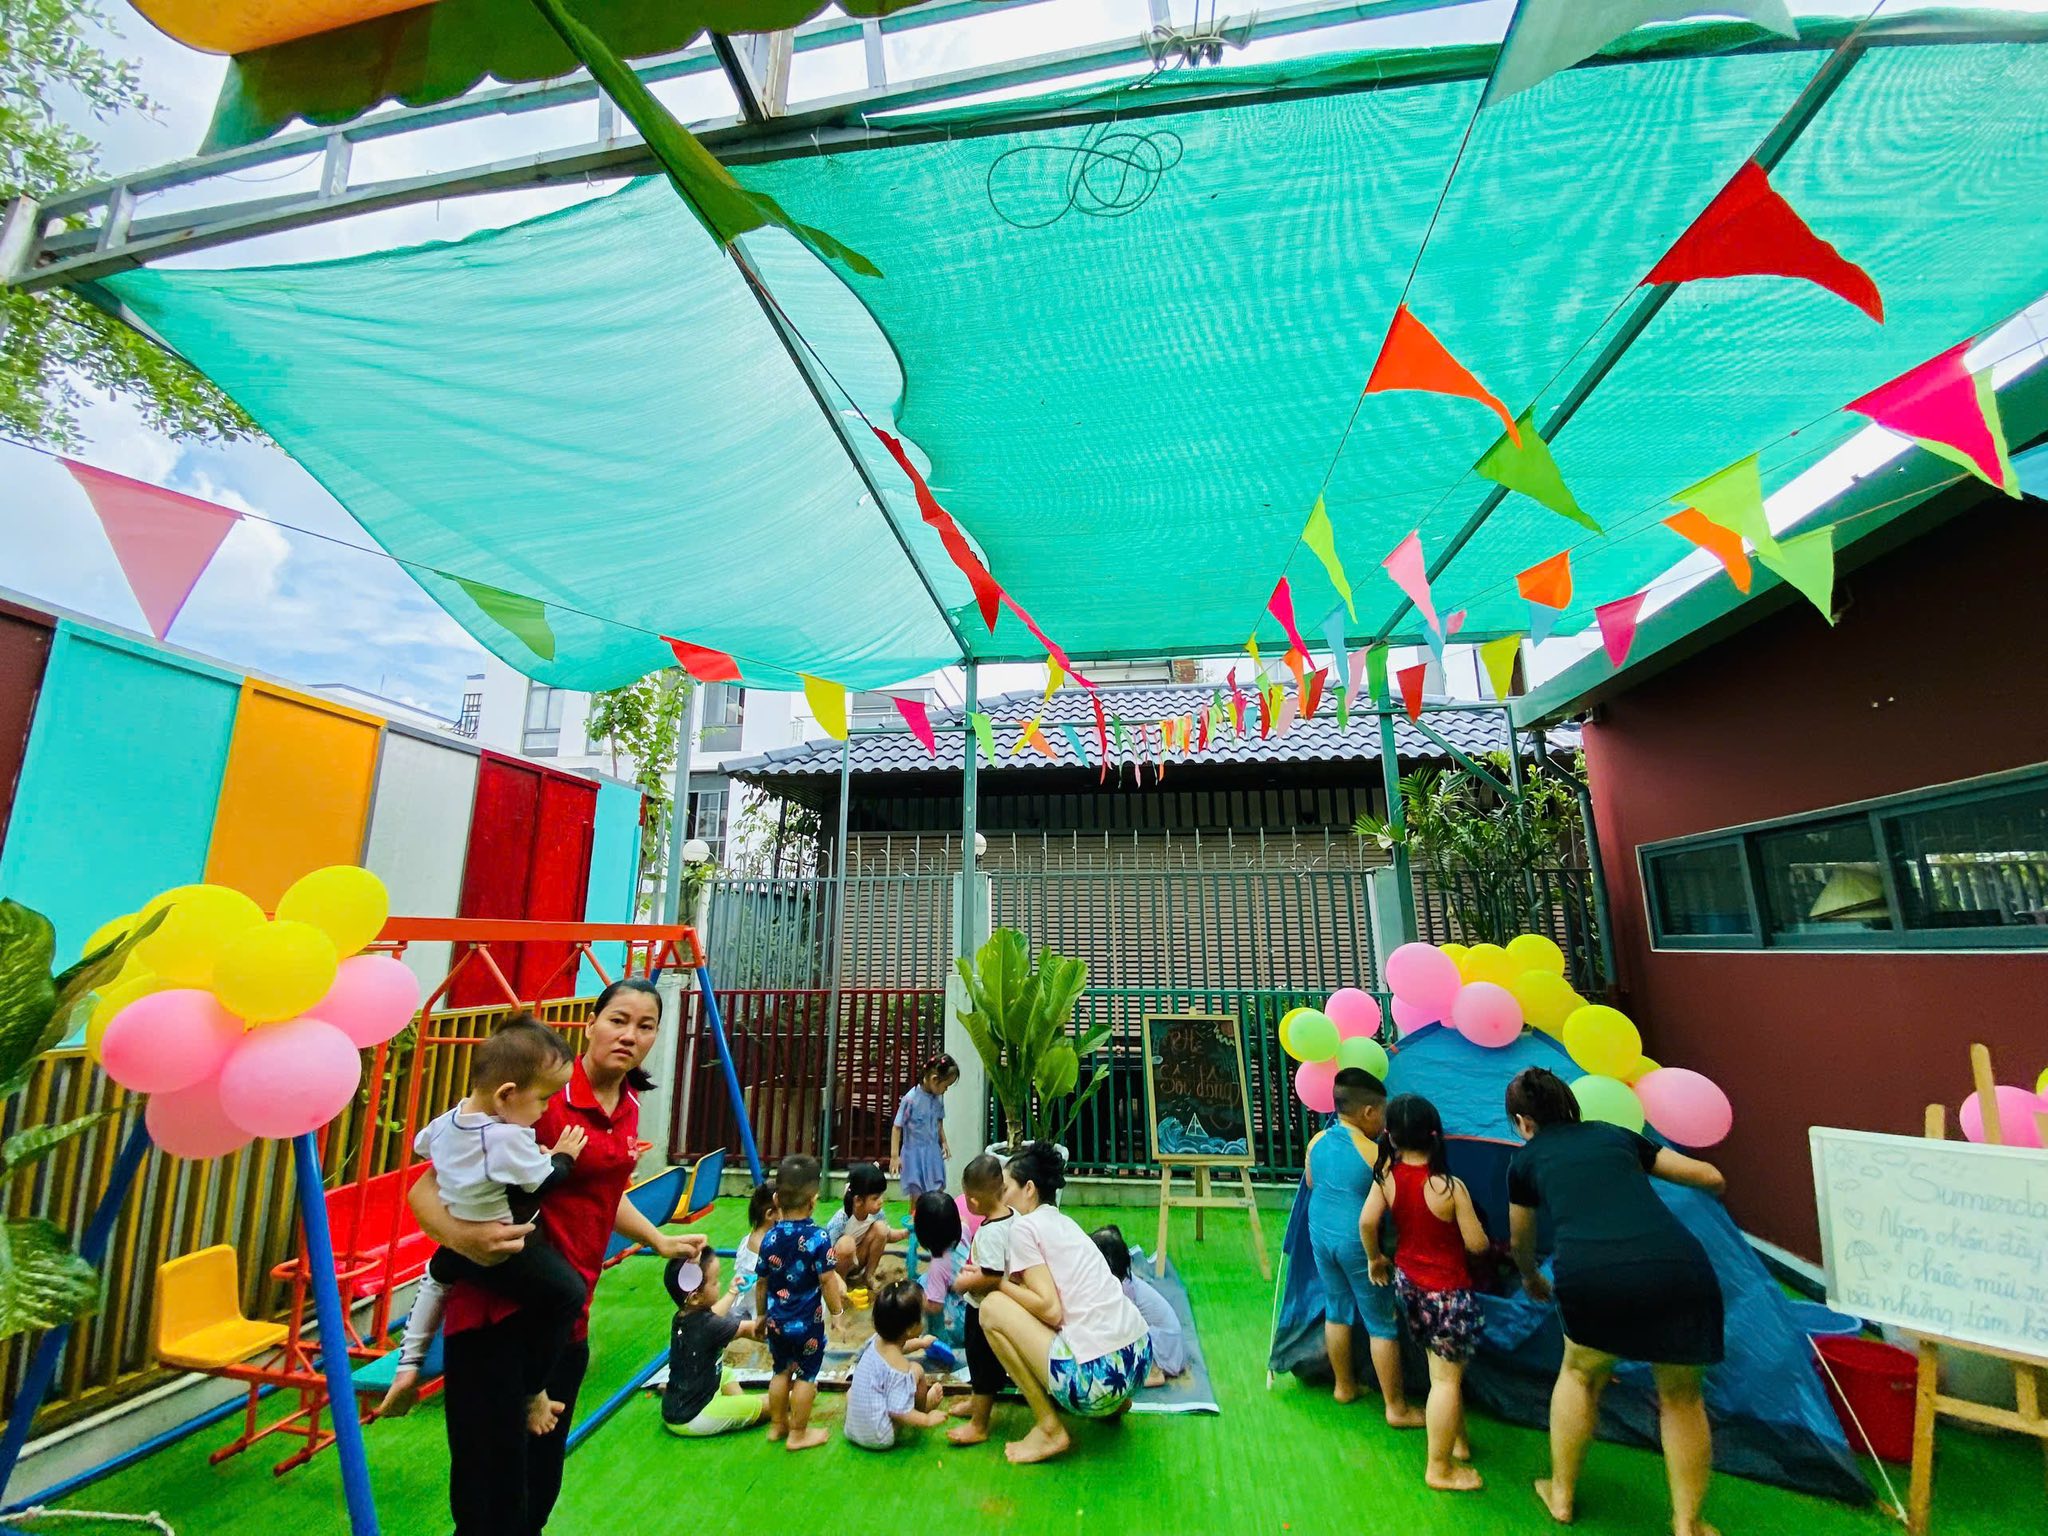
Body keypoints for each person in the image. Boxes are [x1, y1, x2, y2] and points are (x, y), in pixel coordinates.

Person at [409, 978, 705, 1536]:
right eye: (618, 1020)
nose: (630, 1035)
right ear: (590, 1025)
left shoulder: (627, 1105)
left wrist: (657, 1239)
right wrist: (463, 1238)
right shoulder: (540, 1094)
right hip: (498, 1315)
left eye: (645, 1026)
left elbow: (603, 1192)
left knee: (539, 1484)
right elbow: (426, 1187)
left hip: (566, 1319)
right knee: (488, 1496)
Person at [1504, 1067, 1728, 1536]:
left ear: (1524, 1123)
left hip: (1593, 1275)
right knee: (1683, 1399)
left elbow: (1520, 1240)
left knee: (1580, 1375)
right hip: (1677, 1268)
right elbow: (1710, 1176)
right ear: (1571, 1106)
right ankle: (1688, 1523)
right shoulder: (1615, 1134)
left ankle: (1561, 1495)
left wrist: (1529, 1276)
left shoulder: (1525, 1162)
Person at [380, 1018, 590, 1428]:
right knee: (568, 1295)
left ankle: (407, 1366)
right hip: (506, 1246)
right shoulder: (505, 1138)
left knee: (435, 1279)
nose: (546, 1108)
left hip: (457, 1241)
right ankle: (533, 1390)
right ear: (506, 1094)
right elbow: (544, 1180)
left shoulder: (446, 1123)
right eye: (543, 1098)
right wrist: (564, 1156)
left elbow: (424, 1147)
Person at [975, 1142, 1151, 1464]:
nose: (1001, 1197)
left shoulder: (1023, 1227)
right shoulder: (1065, 1224)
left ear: (1029, 1189)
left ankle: (1049, 1428)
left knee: (991, 1308)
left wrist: (995, 1282)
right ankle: (1114, 1406)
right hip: (1138, 1361)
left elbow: (1050, 1309)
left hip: (1096, 1381)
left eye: (1006, 1188)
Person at [1363, 1094, 1490, 1494]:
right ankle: (1440, 1468)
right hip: (1448, 1294)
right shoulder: (1449, 1187)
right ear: (1435, 1134)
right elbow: (1478, 1244)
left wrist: (1375, 1259)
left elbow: (1366, 1222)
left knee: (1444, 1372)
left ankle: (1458, 1441)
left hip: (1409, 1285)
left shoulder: (1388, 1178)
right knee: (1445, 1381)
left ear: (1391, 1137)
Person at [1303, 1067, 1420, 1427]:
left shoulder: (1316, 1142)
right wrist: (1377, 1255)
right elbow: (1395, 1203)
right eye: (1382, 1113)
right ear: (1369, 1112)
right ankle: (1396, 1408)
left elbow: (1312, 1182)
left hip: (1320, 1233)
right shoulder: (1374, 1153)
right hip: (1358, 1242)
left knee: (1336, 1308)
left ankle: (1344, 1386)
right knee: (1381, 1322)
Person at [759, 1153, 847, 1452]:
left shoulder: (769, 1238)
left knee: (780, 1371)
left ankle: (777, 1426)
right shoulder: (819, 1238)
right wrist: (837, 1312)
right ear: (813, 1200)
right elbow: (828, 1280)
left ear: (776, 1199)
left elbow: (761, 1282)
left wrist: (761, 1316)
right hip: (808, 1324)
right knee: (807, 1376)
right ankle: (798, 1433)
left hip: (776, 1321)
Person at [660, 1251, 767, 1438]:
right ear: (695, 1297)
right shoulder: (711, 1326)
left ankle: (740, 1406)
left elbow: (713, 1315)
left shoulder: (683, 1316)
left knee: (726, 1373)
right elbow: (750, 1329)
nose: (719, 1284)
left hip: (676, 1407)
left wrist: (732, 1292)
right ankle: (761, 1406)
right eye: (715, 1282)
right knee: (774, 1402)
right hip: (695, 1416)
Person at [947, 1153, 1015, 1447]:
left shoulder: (989, 1232)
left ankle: (979, 1424)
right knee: (986, 1363)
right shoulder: (1014, 1216)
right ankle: (977, 1403)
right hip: (1005, 1306)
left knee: (981, 1363)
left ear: (972, 1201)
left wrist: (962, 1283)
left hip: (983, 1309)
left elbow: (991, 1275)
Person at [844, 1280, 948, 1451]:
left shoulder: (876, 1341)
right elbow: (897, 1411)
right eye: (922, 1314)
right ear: (911, 1328)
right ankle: (922, 1410)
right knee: (917, 1370)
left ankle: (860, 1421)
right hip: (881, 1436)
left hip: (852, 1430)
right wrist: (927, 1421)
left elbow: (901, 1346)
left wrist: (921, 1343)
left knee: (853, 1391)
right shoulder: (899, 1366)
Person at [1089, 1225, 1184, 1386]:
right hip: (1164, 1337)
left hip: (1164, 1343)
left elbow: (1124, 1324)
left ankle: (1154, 1372)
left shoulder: (1125, 1288)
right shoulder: (1120, 1280)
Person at [826, 1162, 907, 1296]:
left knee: (881, 1229)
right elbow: (826, 1253)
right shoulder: (841, 1220)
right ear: (858, 1201)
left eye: (881, 1196)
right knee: (847, 1243)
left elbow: (887, 1235)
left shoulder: (877, 1214)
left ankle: (868, 1276)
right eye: (875, 1198)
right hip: (838, 1265)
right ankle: (840, 1282)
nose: (881, 1201)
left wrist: (905, 1233)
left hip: (858, 1261)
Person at [891, 1053, 959, 1199]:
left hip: (933, 1152)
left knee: (937, 1190)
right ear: (934, 1079)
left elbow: (938, 1121)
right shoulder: (910, 1099)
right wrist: (894, 1156)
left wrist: (944, 1141)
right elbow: (897, 1127)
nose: (946, 1090)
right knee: (917, 1194)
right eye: (946, 1086)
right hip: (914, 1154)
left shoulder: (938, 1098)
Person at [912, 1190, 970, 1350]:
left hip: (960, 1322)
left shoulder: (939, 1265)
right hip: (971, 1306)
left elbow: (935, 1306)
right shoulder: (964, 1231)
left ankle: (939, 1339)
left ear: (923, 1233)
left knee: (922, 1285)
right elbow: (963, 1220)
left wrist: (917, 1299)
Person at [730, 1182, 777, 1324]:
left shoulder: (749, 1238)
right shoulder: (767, 1247)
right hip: (756, 1307)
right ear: (770, 1214)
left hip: (742, 1302)